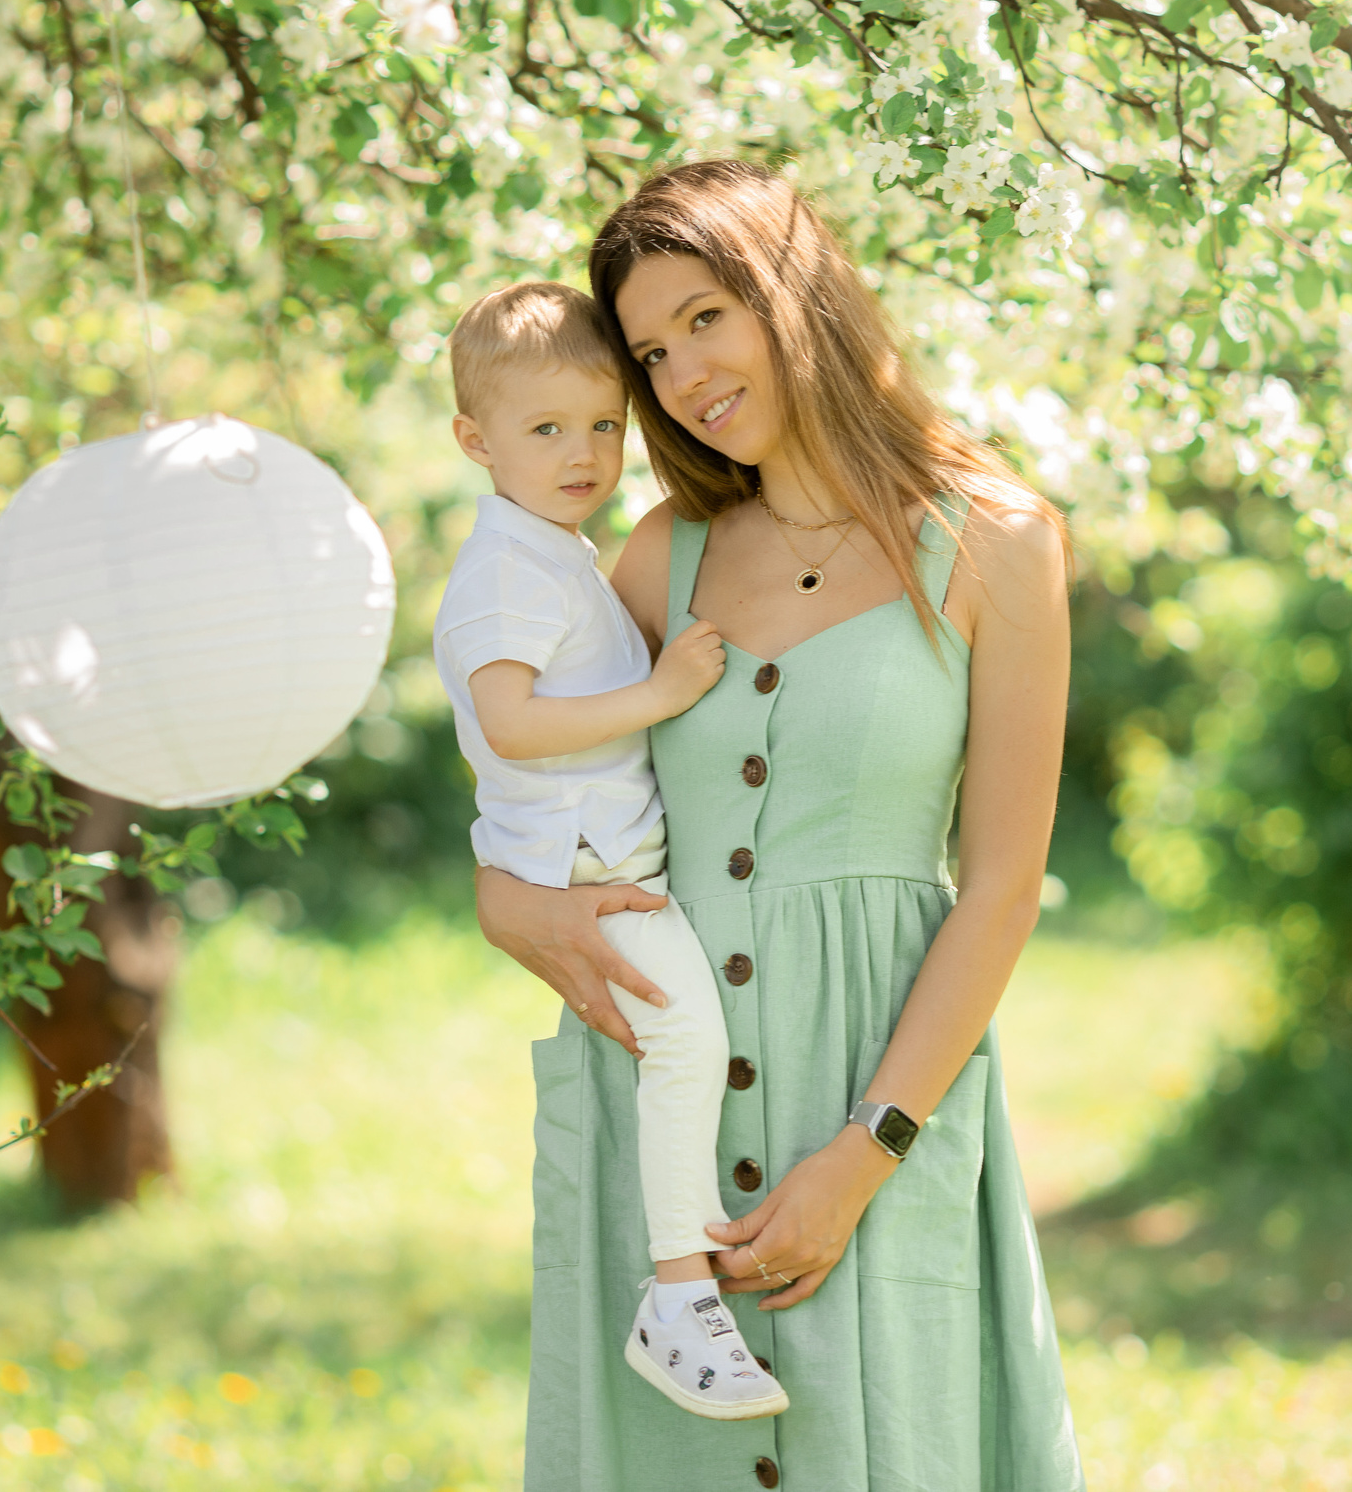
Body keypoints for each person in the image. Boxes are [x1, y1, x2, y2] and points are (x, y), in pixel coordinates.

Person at [477, 161, 1084, 1490]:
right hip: (664, 1123)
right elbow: (540, 781)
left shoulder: (996, 542)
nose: (683, 374)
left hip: (874, 1093)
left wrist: (868, 1151)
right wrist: (506, 901)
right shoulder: (659, 557)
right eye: (651, 353)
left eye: (706, 317)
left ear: (794, 293)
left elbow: (1000, 887)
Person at [432, 281, 790, 1420]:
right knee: (686, 1040)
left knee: (683, 1037)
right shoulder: (506, 571)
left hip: (603, 851)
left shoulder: (553, 553)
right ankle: (678, 1295)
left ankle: (682, 1288)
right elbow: (509, 723)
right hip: (590, 866)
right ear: (474, 441)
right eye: (545, 429)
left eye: (601, 424)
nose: (582, 453)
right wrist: (660, 692)